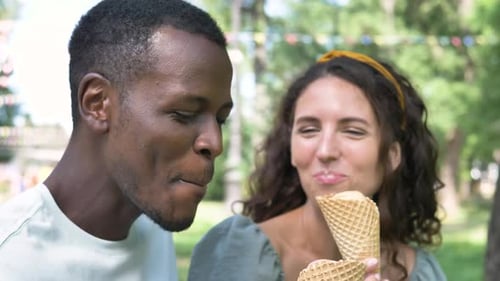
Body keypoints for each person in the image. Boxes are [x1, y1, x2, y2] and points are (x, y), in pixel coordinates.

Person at [0, 0, 233, 280]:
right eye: (184, 113)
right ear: (98, 103)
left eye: (220, 119)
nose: (215, 143)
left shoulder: (152, 229)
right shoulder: (11, 259)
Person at [188, 50, 447, 281]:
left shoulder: (419, 270)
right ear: (291, 149)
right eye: (309, 130)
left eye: (353, 131)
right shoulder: (240, 254)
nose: (325, 151)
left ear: (392, 156)